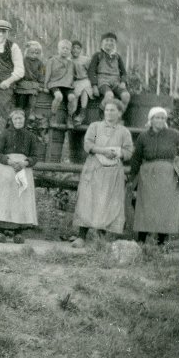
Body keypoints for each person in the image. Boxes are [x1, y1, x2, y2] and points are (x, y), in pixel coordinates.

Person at [129, 107, 179, 246]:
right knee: (146, 206)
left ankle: (161, 242)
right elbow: (136, 159)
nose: (160, 120)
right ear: (151, 120)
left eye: (162, 118)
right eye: (157, 118)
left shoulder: (173, 134)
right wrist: (132, 177)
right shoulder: (143, 137)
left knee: (165, 207)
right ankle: (142, 240)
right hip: (147, 175)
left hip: (168, 175)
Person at [71, 99, 133, 248]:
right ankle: (81, 236)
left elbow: (129, 151)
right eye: (107, 110)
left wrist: (119, 153)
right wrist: (104, 151)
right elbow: (87, 145)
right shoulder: (95, 127)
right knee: (87, 199)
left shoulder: (123, 132)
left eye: (113, 110)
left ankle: (101, 238)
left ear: (119, 113)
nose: (109, 113)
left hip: (112, 172)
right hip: (94, 168)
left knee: (107, 202)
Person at [0, 109, 39, 244]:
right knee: (3, 199)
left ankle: (18, 232)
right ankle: (0, 231)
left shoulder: (30, 136)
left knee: (20, 199)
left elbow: (35, 156)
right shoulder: (4, 135)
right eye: (16, 119)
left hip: (23, 170)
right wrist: (9, 161)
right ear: (11, 121)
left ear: (24, 120)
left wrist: (26, 162)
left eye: (20, 119)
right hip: (6, 169)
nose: (18, 121)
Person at [88, 32, 131, 111]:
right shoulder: (98, 55)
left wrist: (123, 82)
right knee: (109, 95)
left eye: (112, 41)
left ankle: (118, 115)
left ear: (115, 43)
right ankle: (101, 111)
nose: (109, 43)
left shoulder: (117, 57)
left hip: (116, 82)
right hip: (103, 81)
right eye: (107, 40)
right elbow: (91, 71)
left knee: (126, 96)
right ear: (102, 42)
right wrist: (94, 86)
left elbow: (124, 73)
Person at [44, 39, 77, 128]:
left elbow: (72, 75)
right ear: (58, 49)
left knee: (72, 97)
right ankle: (53, 116)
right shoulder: (52, 60)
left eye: (67, 49)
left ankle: (69, 118)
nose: (65, 50)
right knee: (59, 96)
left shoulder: (71, 63)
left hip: (66, 85)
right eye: (63, 48)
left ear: (70, 51)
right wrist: (45, 86)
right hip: (54, 84)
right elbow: (48, 73)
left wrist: (72, 85)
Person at [14, 41, 46, 120]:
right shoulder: (23, 60)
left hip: (34, 83)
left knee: (33, 95)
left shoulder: (40, 63)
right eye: (32, 52)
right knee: (22, 96)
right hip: (23, 82)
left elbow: (42, 74)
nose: (34, 55)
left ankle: (31, 111)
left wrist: (41, 83)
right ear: (27, 52)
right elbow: (19, 71)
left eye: (37, 53)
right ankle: (19, 111)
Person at [71, 40, 92, 121]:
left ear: (81, 50)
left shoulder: (85, 60)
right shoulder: (69, 60)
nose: (75, 50)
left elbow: (90, 71)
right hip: (74, 82)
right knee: (75, 95)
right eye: (73, 48)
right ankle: (72, 114)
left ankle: (82, 113)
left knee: (84, 91)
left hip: (84, 80)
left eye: (78, 48)